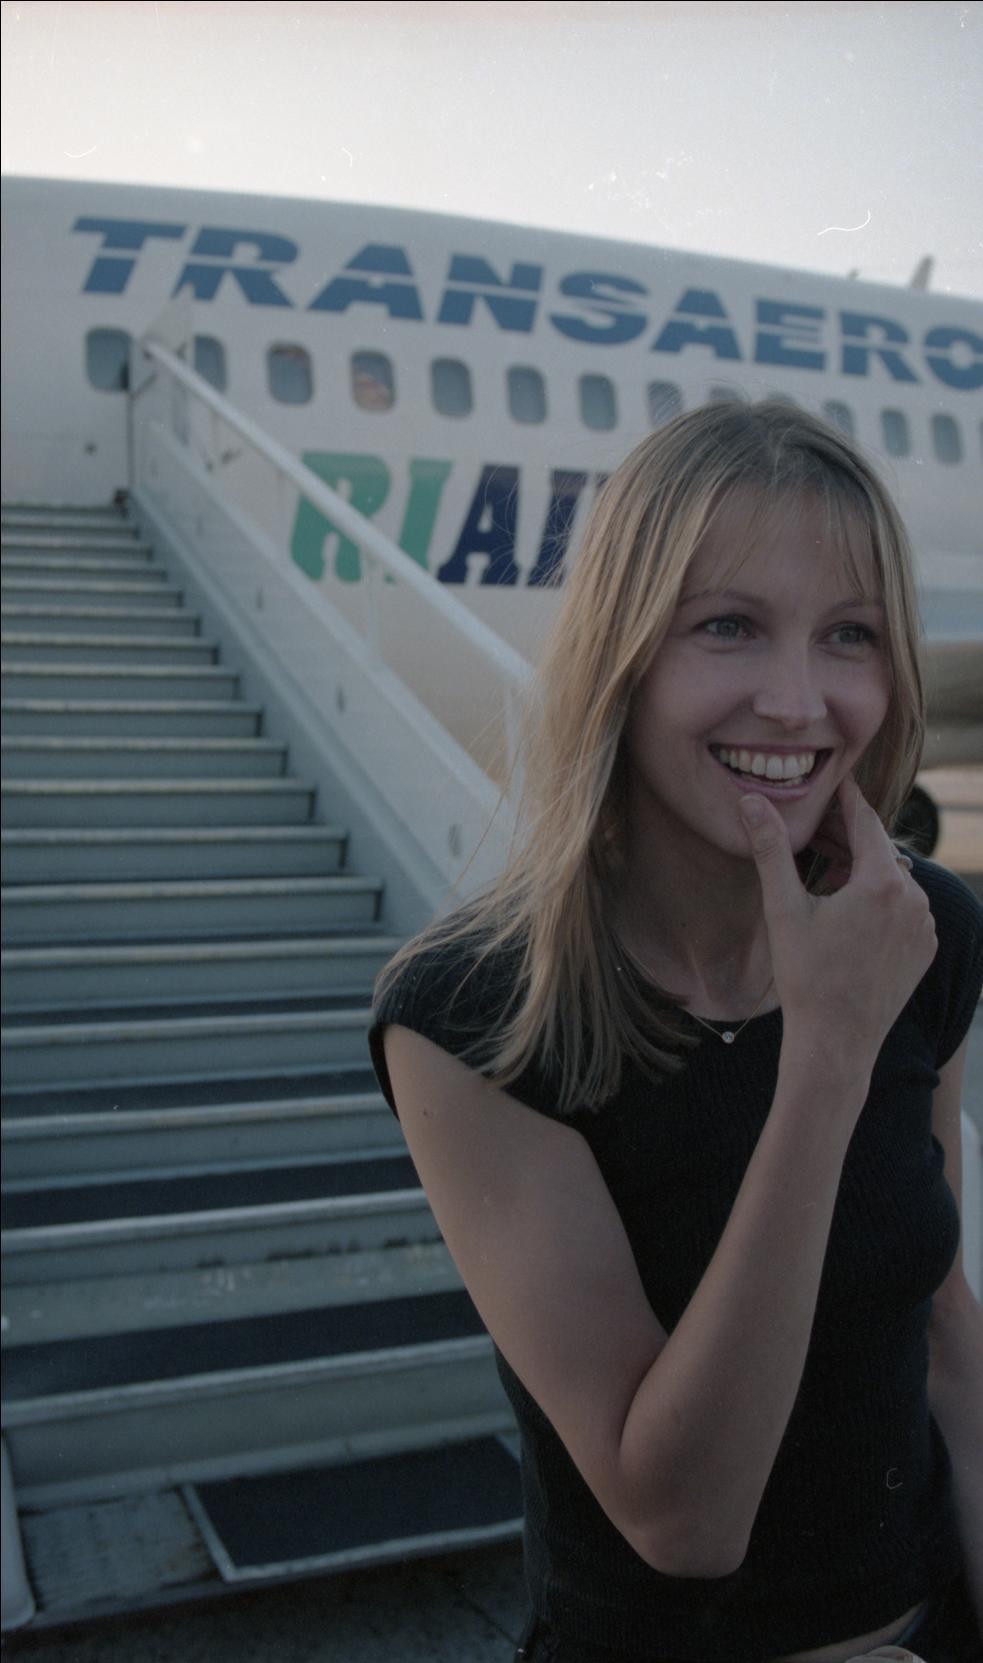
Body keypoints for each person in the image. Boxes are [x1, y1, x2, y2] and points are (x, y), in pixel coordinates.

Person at [368, 401, 983, 1663]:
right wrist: (825, 1054)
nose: (797, 702)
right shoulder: (476, 1012)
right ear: (623, 652)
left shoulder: (914, 931)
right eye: (726, 626)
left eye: (850, 635)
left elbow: (943, 1340)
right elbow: (681, 1519)